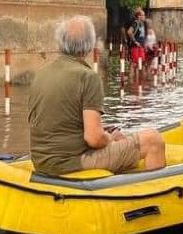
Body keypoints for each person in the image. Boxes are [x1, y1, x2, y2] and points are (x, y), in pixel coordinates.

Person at [28, 15, 166, 175]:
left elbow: (55, 121)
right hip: (71, 162)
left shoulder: (41, 74)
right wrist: (109, 138)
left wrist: (103, 131)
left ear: (60, 42)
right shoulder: (88, 77)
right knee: (153, 140)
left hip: (41, 161)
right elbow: (93, 138)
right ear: (89, 45)